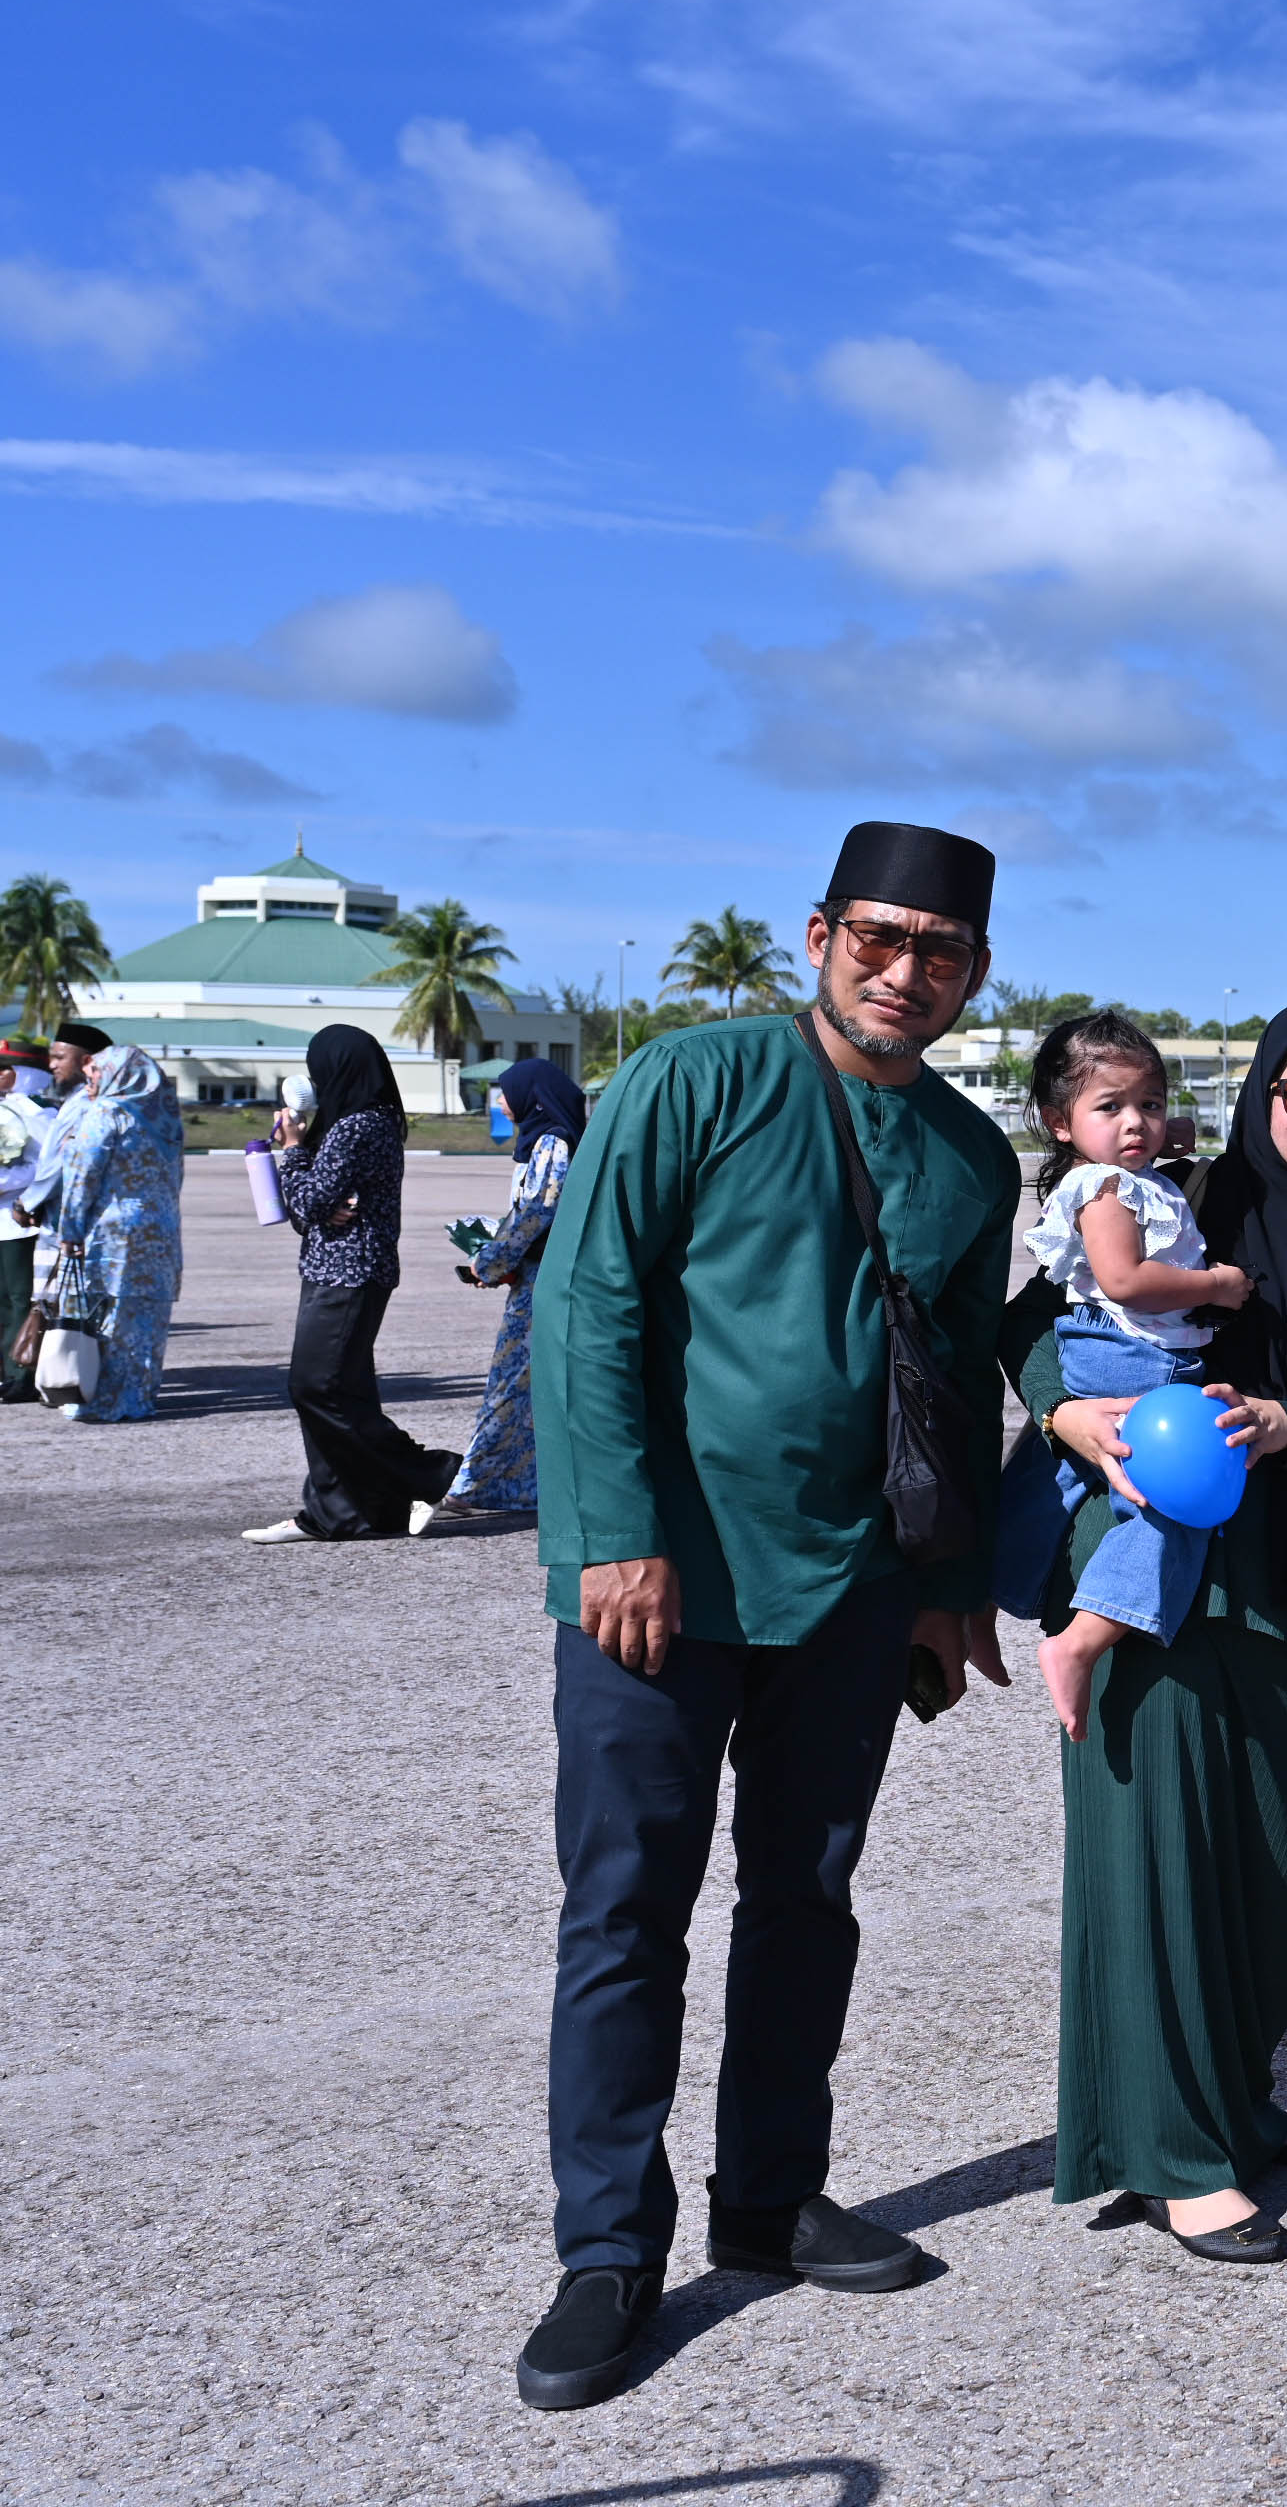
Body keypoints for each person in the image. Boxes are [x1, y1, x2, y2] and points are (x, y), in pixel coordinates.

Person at [518, 822, 1019, 2414]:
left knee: (808, 1894)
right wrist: (612, 1537)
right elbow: (586, 1300)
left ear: (976, 972)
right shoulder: (697, 1079)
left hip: (853, 1583)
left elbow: (955, 1385)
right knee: (627, 1909)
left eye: (939, 950)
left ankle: (769, 2196)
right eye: (879, 936)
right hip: (662, 1580)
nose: (905, 970)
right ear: (820, 936)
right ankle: (609, 2248)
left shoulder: (971, 1154)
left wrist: (945, 1589)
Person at [1010, 998, 1287, 2266]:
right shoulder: (1184, 1200)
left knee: (1270, 1873)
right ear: (1260, 1101)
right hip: (1153, 1582)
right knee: (1160, 1868)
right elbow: (1031, 1325)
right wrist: (1068, 1416)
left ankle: (1235, 2103)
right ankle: (1175, 2157)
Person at [1001, 1015, 1254, 1735]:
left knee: (1067, 1472)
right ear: (1059, 1123)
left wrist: (1160, 1137)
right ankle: (1081, 1640)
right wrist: (1217, 1284)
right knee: (1167, 1499)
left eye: (1150, 1103)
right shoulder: (1109, 1188)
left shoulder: (1119, 1173)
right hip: (1138, 1354)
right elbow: (1127, 1281)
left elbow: (1138, 1142)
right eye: (1110, 1106)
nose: (1136, 1122)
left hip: (1113, 1351)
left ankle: (993, 1583)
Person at [244, 1025, 461, 1544]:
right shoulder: (367, 1122)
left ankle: (436, 1474)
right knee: (344, 1393)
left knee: (315, 1387)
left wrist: (294, 1149)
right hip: (341, 1270)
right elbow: (309, 1214)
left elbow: (307, 1203)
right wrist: (317, 1200)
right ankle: (350, 1510)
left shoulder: (356, 1127)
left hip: (347, 1273)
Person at [435, 1058, 591, 1521]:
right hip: (537, 1276)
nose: (501, 1102)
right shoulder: (543, 1142)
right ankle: (526, 1488)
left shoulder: (553, 1142)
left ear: (532, 1097)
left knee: (510, 1383)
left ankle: (472, 1485)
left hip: (544, 1283)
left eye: (506, 1093)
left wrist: (490, 1260)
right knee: (533, 1387)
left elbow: (539, 1211)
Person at [38, 1030, 180, 1423]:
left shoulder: (106, 1112)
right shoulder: (165, 1118)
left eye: (98, 1071)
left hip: (113, 1234)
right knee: (146, 1319)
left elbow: (81, 1176)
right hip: (161, 1233)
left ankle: (103, 1400)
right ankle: (138, 1397)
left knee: (109, 1315)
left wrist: (69, 1231)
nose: (91, 1077)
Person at [0, 1037, 50, 1403]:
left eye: (4, 1070)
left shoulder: (40, 1113)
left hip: (18, 1220)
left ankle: (22, 1372)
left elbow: (45, 1167)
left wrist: (4, 1180)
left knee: (20, 1298)